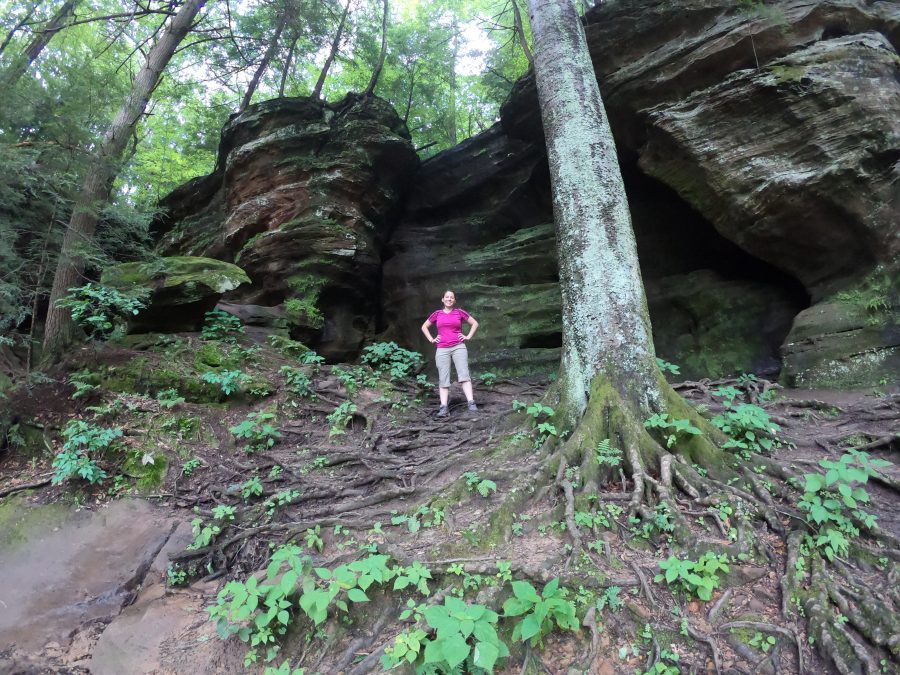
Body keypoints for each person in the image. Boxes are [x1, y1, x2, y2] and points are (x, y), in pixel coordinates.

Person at [421, 290, 479, 417]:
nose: (449, 299)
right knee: (443, 377)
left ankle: (471, 402)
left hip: (459, 347)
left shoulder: (459, 312)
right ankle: (443, 407)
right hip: (442, 348)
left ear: (454, 300)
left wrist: (468, 336)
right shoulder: (437, 314)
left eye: (451, 297)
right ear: (442, 299)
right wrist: (431, 339)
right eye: (447, 297)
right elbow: (424, 326)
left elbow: (475, 323)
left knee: (464, 374)